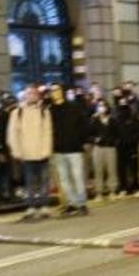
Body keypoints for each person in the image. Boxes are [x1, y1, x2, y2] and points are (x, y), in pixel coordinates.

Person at [6, 83, 54, 220]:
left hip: (41, 151)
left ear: (37, 96)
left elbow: (48, 132)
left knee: (44, 180)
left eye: (34, 93)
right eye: (29, 93)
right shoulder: (17, 112)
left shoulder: (44, 111)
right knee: (30, 181)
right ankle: (31, 206)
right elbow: (12, 134)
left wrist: (47, 149)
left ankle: (44, 205)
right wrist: (16, 151)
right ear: (25, 95)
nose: (31, 96)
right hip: (26, 153)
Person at [49, 85, 90, 216]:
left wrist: (80, 140)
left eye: (57, 90)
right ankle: (72, 203)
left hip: (74, 148)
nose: (55, 93)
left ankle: (82, 204)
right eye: (53, 91)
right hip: (58, 150)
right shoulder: (50, 110)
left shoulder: (74, 107)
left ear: (62, 92)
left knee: (78, 177)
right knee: (64, 180)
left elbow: (84, 125)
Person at [90, 99, 119, 200]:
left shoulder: (112, 120)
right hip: (98, 148)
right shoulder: (94, 120)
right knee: (98, 171)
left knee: (112, 170)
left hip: (110, 147)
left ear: (107, 108)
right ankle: (99, 193)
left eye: (103, 106)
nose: (101, 108)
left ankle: (112, 191)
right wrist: (95, 139)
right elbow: (89, 134)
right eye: (99, 106)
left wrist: (114, 142)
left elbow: (117, 134)